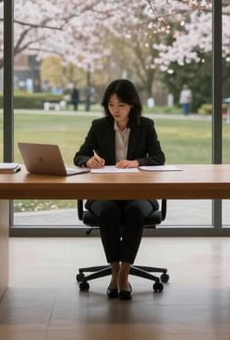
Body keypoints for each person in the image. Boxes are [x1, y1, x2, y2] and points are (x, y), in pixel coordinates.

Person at [73, 79, 165, 300]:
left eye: (121, 105)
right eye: (111, 104)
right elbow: (79, 155)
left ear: (132, 105)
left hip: (138, 194)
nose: (115, 110)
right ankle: (115, 270)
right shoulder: (99, 126)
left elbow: (159, 158)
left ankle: (124, 274)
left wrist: (138, 162)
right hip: (105, 194)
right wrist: (89, 162)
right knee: (108, 212)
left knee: (133, 212)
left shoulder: (146, 125)